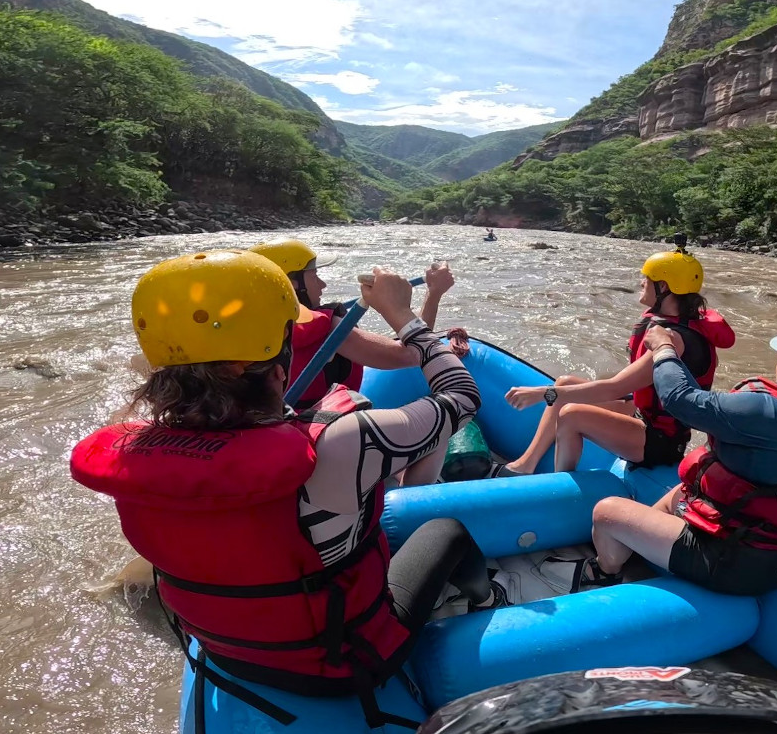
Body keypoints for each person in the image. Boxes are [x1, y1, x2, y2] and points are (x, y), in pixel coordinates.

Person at [70, 250, 506, 728]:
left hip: (227, 650)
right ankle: (487, 602)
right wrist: (402, 314)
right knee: (446, 531)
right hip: (339, 661)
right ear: (275, 361)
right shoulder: (343, 441)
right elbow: (462, 398)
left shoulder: (132, 447)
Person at [578, 320, 777, 593]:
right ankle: (640, 548)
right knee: (684, 490)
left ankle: (602, 573)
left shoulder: (768, 415)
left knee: (605, 511)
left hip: (727, 561)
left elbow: (680, 399)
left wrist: (663, 348)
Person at [502, 239, 735, 474]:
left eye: (647, 278)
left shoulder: (672, 339)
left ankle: (558, 488)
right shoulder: (674, 322)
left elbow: (613, 388)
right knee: (565, 384)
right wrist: (556, 392)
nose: (641, 282)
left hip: (662, 440)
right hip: (642, 413)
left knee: (571, 415)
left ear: (663, 287)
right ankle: (525, 465)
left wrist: (543, 393)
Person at [250, 237, 456, 409]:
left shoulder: (238, 327)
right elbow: (413, 354)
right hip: (319, 436)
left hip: (269, 429)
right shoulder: (326, 327)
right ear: (291, 284)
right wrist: (433, 293)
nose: (323, 285)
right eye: (314, 277)